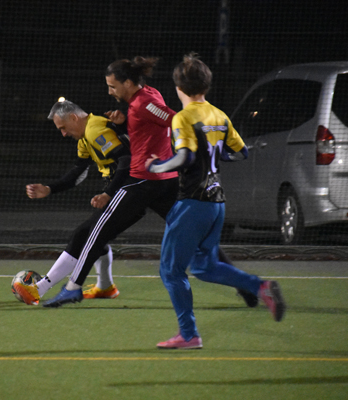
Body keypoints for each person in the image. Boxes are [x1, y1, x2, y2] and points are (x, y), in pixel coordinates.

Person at [145, 53, 286, 349]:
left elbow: (185, 157)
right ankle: (260, 287)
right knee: (204, 268)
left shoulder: (183, 117)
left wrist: (157, 166)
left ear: (178, 87)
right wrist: (215, 155)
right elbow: (241, 152)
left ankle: (189, 335)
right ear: (206, 86)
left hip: (192, 203)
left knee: (171, 271)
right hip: (216, 203)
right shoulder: (219, 115)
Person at [40, 56, 182, 307]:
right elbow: (149, 131)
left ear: (127, 83)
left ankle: (66, 288)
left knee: (92, 233)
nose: (109, 91)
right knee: (191, 232)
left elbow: (175, 121)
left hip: (142, 180)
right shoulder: (145, 98)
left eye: (112, 86)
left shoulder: (141, 103)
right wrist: (125, 124)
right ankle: (248, 284)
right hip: (161, 179)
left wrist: (193, 149)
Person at [15, 99, 131, 305]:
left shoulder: (95, 130)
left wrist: (109, 192)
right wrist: (50, 189)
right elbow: (79, 172)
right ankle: (105, 286)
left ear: (74, 118)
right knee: (95, 235)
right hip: (125, 186)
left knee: (83, 235)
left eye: (63, 127)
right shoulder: (85, 138)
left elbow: (126, 159)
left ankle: (39, 288)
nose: (63, 133)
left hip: (131, 186)